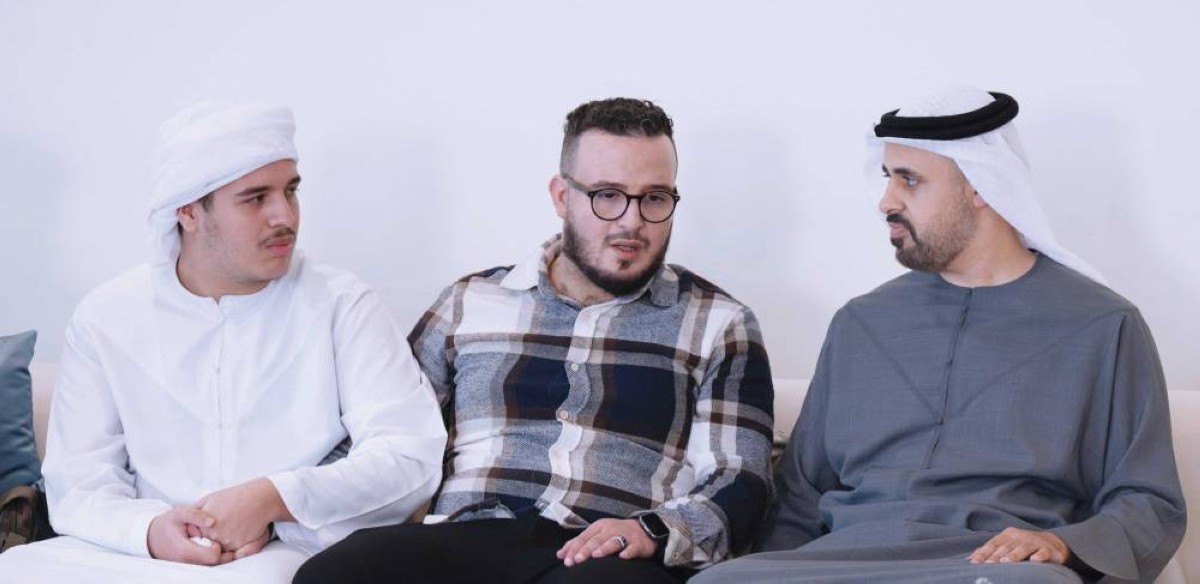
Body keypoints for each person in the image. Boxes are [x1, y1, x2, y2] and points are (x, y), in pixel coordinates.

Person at [695, 86, 1186, 583]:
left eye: (910, 180)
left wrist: (1062, 544)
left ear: (982, 186)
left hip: (992, 566)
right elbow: (800, 493)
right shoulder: (860, 323)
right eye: (888, 177)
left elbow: (1149, 500)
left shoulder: (1102, 326)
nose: (886, 201)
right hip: (847, 561)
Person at [294, 98, 776, 584]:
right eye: (608, 195)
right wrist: (283, 503)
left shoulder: (719, 324)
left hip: (602, 559)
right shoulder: (469, 303)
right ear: (562, 197)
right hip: (464, 539)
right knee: (335, 573)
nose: (631, 221)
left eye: (654, 198)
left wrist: (651, 530)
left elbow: (740, 480)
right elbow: (384, 434)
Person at [0, 101, 446, 582]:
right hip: (128, 552)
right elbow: (77, 481)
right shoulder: (106, 316)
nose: (284, 216)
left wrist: (274, 499)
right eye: (255, 198)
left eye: (290, 191)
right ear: (189, 212)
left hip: (280, 548)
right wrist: (149, 530)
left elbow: (409, 456)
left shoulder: (342, 303)